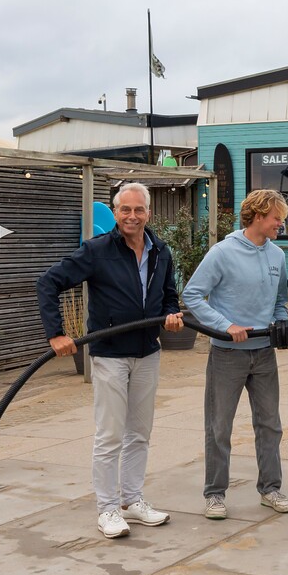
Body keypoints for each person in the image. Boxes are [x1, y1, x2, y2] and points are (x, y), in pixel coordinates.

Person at [37, 182, 184, 539]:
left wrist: (172, 313)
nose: (132, 216)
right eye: (125, 210)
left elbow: (168, 295)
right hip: (110, 355)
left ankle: (132, 501)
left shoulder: (161, 251)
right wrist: (56, 334)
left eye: (139, 210)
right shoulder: (97, 251)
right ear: (115, 213)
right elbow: (48, 282)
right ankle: (106, 509)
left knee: (140, 433)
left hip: (147, 353)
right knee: (110, 435)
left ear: (149, 213)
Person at [182, 189, 288, 520]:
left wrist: (282, 329)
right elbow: (192, 294)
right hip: (227, 355)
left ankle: (270, 489)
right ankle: (215, 494)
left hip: (264, 353)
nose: (282, 225)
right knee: (219, 427)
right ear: (259, 216)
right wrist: (225, 324)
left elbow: (278, 302)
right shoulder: (223, 252)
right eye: (278, 219)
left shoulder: (277, 255)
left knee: (270, 424)